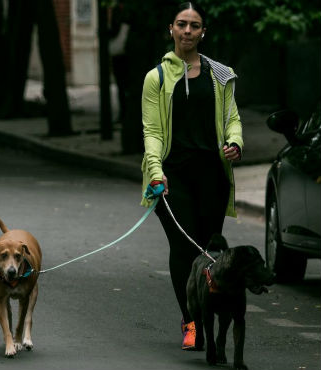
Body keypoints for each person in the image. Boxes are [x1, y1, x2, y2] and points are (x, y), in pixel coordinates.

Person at [139, 2, 243, 350]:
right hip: (172, 177)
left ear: (203, 32)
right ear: (171, 28)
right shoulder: (156, 77)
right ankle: (191, 321)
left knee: (208, 250)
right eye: (181, 24)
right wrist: (156, 171)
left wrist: (235, 144)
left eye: (194, 25)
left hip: (212, 175)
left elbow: (233, 119)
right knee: (184, 248)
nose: (187, 31)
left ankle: (207, 317)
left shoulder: (220, 74)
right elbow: (152, 131)